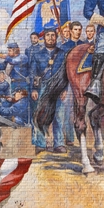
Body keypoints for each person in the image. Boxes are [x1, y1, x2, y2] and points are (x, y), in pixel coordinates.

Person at [28, 23, 67, 153]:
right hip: (42, 87)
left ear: (56, 37)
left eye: (53, 35)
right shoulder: (37, 54)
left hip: (58, 86)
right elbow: (33, 73)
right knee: (39, 115)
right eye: (48, 35)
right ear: (44, 38)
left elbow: (66, 72)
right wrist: (34, 89)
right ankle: (40, 143)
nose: (50, 38)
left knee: (58, 116)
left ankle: (59, 144)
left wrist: (65, 89)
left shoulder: (62, 54)